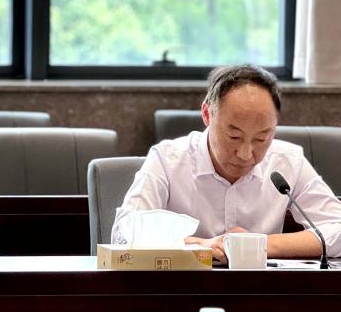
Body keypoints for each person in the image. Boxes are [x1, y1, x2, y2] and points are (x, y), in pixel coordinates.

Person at [112, 64, 341, 262]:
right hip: (182, 291)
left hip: (261, 292)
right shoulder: (167, 160)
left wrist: (260, 244)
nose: (245, 154)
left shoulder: (288, 162)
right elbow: (123, 236)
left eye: (261, 139)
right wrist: (199, 246)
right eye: (234, 136)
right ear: (207, 114)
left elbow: (337, 229)